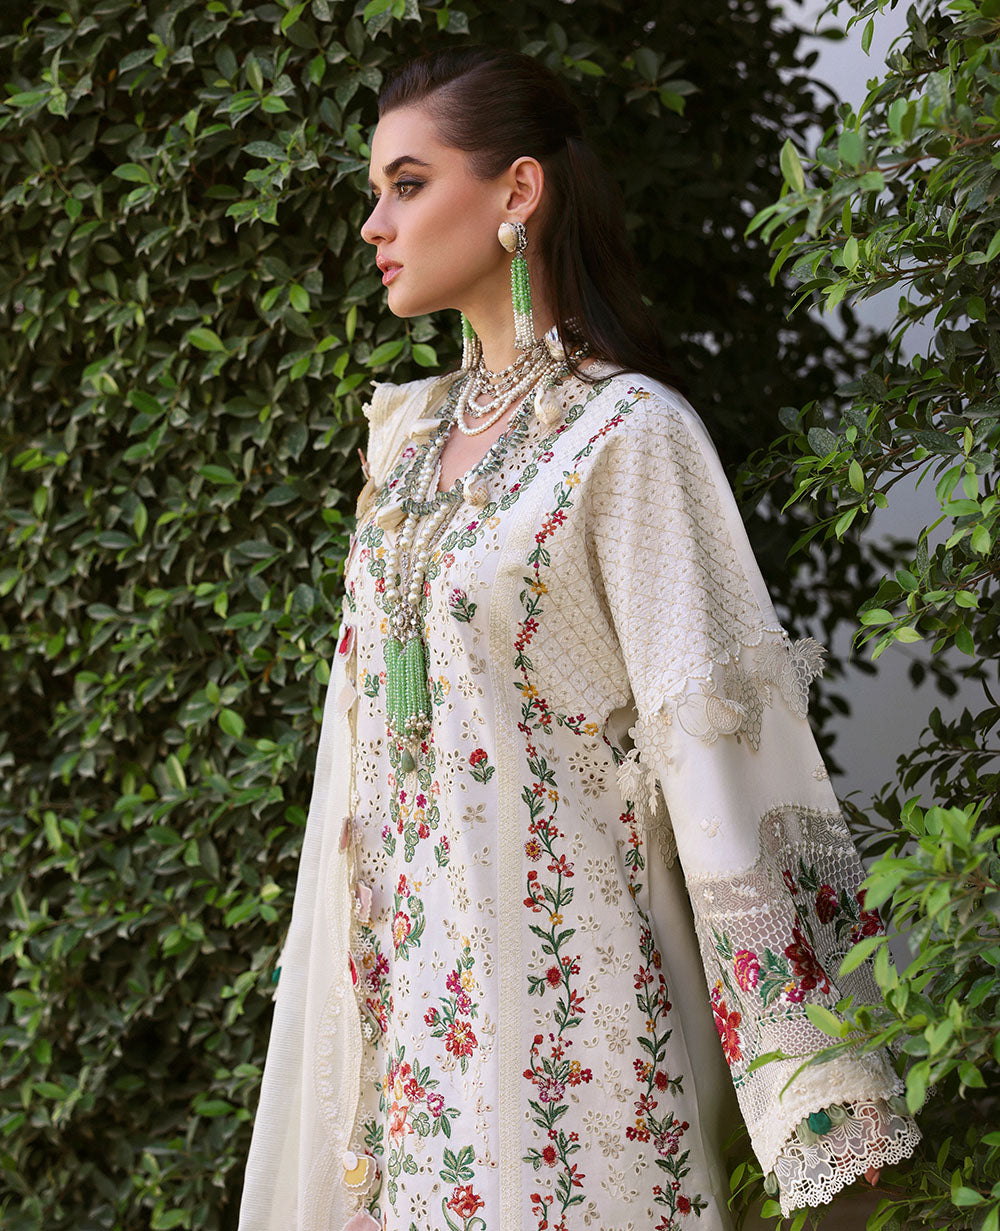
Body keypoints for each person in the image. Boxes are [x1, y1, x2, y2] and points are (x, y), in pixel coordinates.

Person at [237, 47, 920, 1231]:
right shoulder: (406, 445)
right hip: (408, 1055)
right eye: (375, 191)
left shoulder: (628, 435)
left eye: (407, 184)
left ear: (516, 190)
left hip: (576, 1046)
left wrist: (817, 1090)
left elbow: (720, 760)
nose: (374, 225)